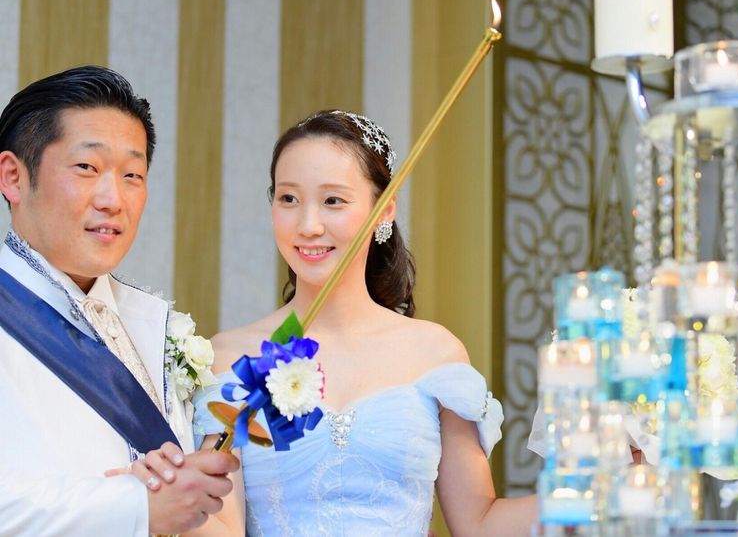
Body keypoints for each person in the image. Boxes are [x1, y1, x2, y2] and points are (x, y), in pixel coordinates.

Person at [135, 109, 537, 536]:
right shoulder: (233, 356)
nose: (308, 226)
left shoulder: (436, 353)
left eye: (333, 201)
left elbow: (479, 524)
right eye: (288, 199)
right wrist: (158, 496)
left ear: (384, 210)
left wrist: (585, 487)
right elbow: (223, 528)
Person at [0, 65, 239, 536]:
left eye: (133, 174)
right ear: (13, 176)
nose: (113, 199)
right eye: (87, 168)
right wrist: (137, 507)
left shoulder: (156, 323)